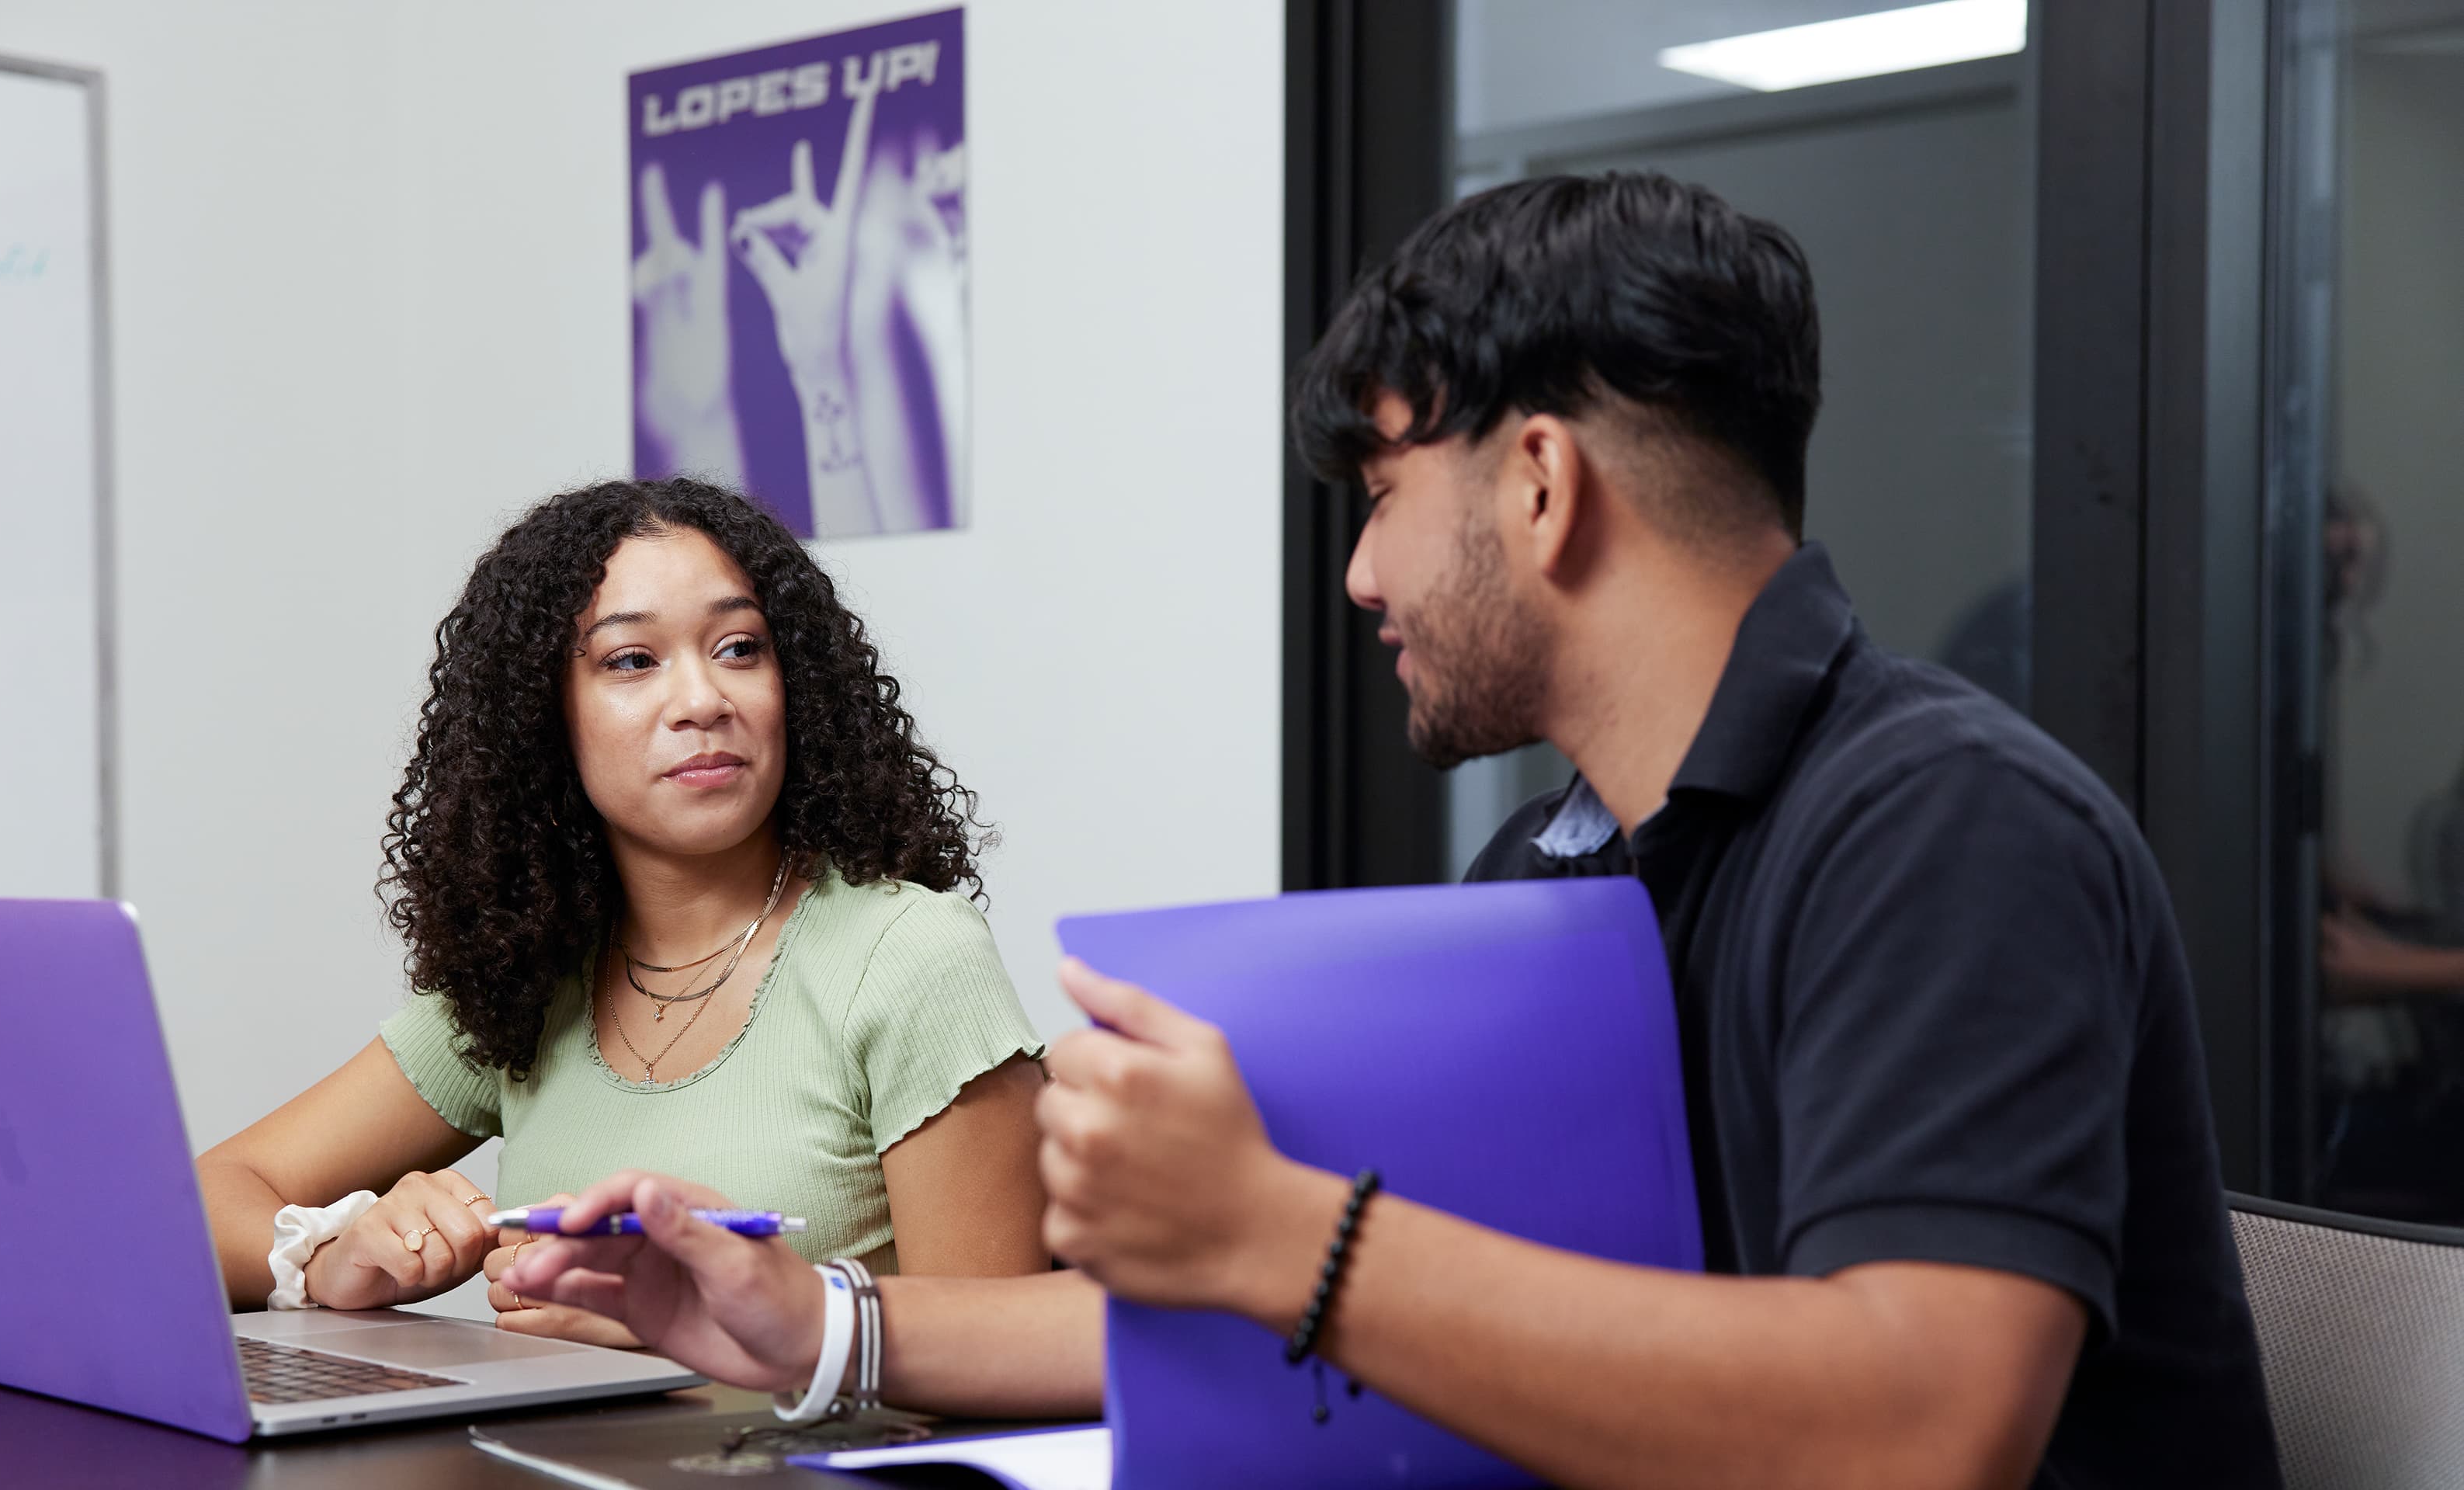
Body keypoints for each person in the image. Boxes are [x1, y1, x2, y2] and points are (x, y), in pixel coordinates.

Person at [508, 174, 2282, 1486]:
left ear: (1534, 482)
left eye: (1376, 498)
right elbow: (1262, 1292)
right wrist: (813, 1326)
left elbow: (1918, 1422)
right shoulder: (1554, 872)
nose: (1358, 574)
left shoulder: (1943, 828)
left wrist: (1282, 1229)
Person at [195, 478, 1049, 1342]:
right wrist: (328, 1253)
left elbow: (1003, 1355)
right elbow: (201, 1199)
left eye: (741, 647)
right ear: (543, 720)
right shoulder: (528, 983)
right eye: (632, 660)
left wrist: (687, 1330)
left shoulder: (910, 957)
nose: (703, 699)